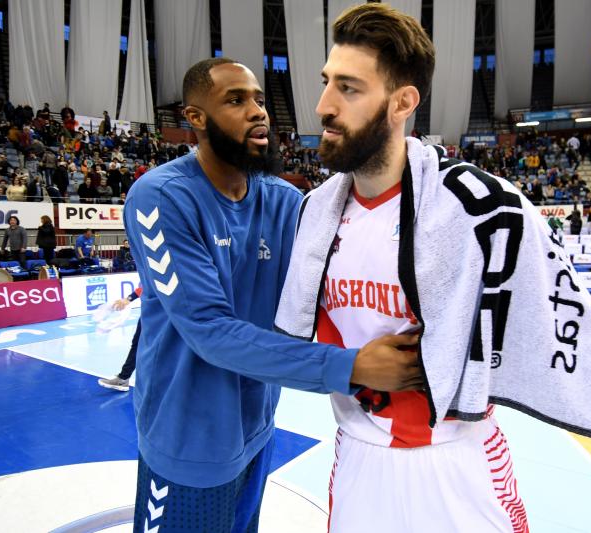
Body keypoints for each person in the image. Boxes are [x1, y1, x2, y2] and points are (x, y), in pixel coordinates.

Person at [274, 4, 591, 532]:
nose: (323, 105)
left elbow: (577, 332)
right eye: (326, 82)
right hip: (357, 465)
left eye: (348, 88)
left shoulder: (484, 208)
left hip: (460, 469)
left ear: (402, 102)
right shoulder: (313, 212)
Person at [123, 57, 421, 533]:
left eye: (260, 99)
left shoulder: (284, 200)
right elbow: (210, 331)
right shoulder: (160, 196)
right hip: (186, 439)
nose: (258, 111)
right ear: (195, 117)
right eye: (236, 100)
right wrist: (353, 367)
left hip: (257, 425)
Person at [98, 287, 143, 392]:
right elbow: (147, 284)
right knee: (137, 345)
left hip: (161, 314)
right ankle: (123, 378)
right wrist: (128, 299)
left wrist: (128, 299)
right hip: (149, 314)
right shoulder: (149, 273)